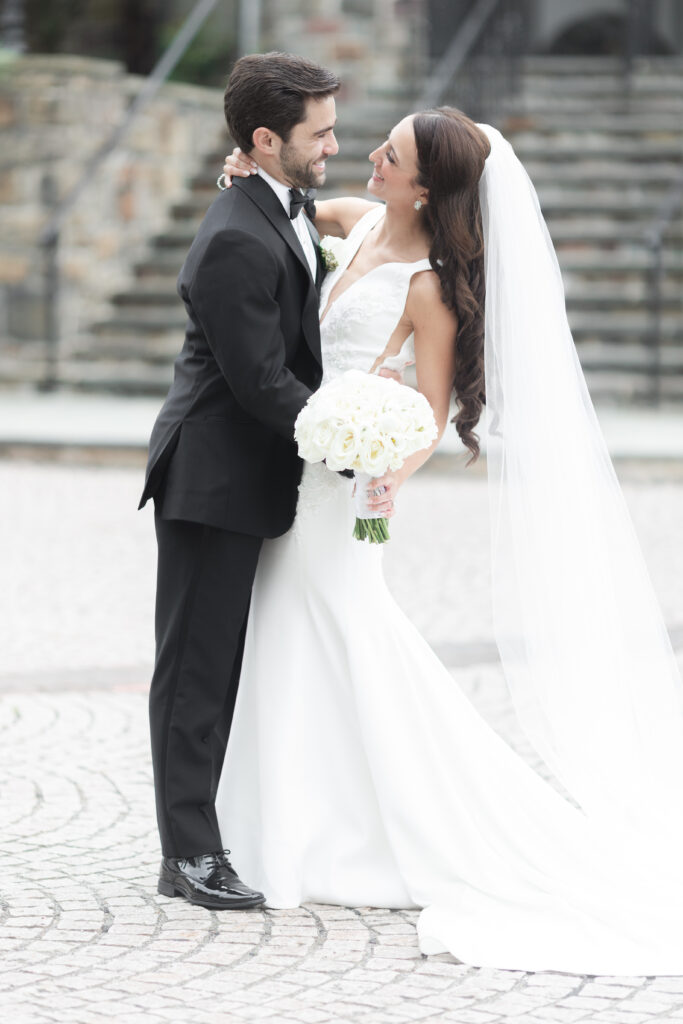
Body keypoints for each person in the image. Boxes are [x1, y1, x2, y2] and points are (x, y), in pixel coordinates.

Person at [215, 106, 683, 974]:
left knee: (345, 626)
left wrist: (386, 469)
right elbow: (284, 206)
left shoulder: (429, 285)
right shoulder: (351, 225)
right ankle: (290, 814)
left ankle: (371, 825)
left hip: (347, 485)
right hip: (296, 470)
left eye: (387, 155)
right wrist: (242, 174)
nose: (368, 157)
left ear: (427, 185)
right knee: (286, 629)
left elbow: (427, 413)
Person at [138, 52, 341, 910]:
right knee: (196, 669)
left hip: (250, 474)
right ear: (266, 139)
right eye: (319, 133)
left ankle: (206, 838)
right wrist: (351, 439)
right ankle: (187, 856)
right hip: (212, 479)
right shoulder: (230, 236)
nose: (332, 146)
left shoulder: (276, 202)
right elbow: (259, 382)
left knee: (220, 665)